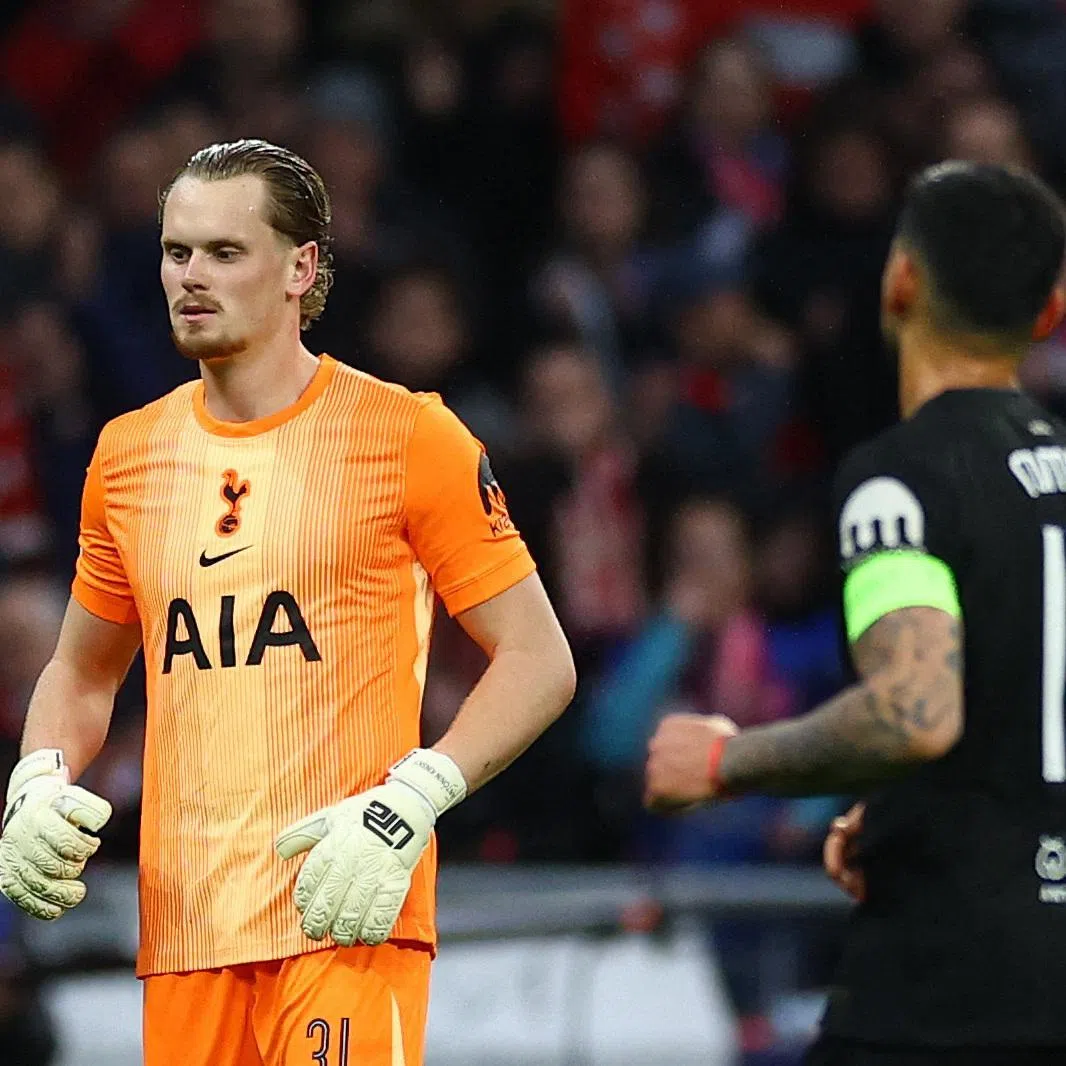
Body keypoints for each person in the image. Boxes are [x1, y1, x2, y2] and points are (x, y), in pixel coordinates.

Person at [0, 139, 576, 1066]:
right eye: (176, 251)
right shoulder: (127, 457)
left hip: (343, 911)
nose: (191, 276)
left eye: (225, 252)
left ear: (300, 269)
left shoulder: (406, 435)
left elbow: (540, 659)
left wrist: (413, 799)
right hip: (186, 931)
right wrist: (38, 777)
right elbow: (82, 670)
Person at [644, 161, 1066, 1065]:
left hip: (950, 983)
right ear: (1052, 311)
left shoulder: (900, 482)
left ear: (901, 281)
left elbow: (915, 710)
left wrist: (727, 761)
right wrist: (908, 813)